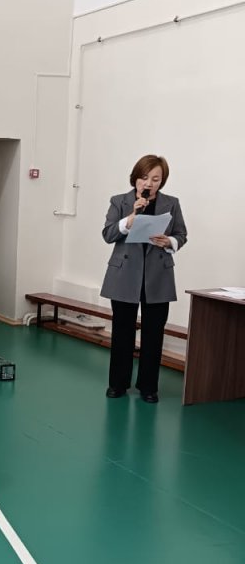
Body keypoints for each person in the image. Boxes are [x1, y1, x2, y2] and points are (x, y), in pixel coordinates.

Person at [101, 154, 187, 403]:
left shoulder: (172, 203)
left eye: (155, 179)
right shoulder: (119, 201)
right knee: (122, 332)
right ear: (135, 178)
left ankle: (149, 387)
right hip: (125, 274)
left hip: (158, 275)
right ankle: (118, 384)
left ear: (162, 181)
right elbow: (108, 234)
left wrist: (169, 241)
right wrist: (130, 219)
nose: (149, 183)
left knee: (153, 334)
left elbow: (181, 234)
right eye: (144, 177)